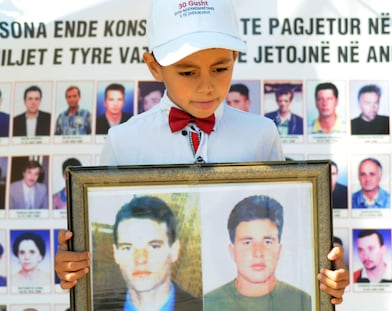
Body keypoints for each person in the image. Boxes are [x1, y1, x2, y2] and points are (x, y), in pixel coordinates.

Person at [55, 0, 349, 305]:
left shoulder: (261, 134)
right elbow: (108, 230)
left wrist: (321, 272)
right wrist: (76, 263)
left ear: (235, 56)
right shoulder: (124, 140)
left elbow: (281, 227)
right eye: (187, 72)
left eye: (221, 68)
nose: (207, 86)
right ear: (154, 66)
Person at [204, 195, 312, 311]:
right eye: (247, 242)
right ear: (232, 251)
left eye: (267, 242)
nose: (258, 253)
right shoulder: (208, 303)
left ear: (279, 250)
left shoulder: (303, 302)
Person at [93, 196, 201, 310]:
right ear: (116, 254)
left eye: (154, 246)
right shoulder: (90, 306)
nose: (140, 259)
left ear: (174, 250)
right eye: (127, 248)